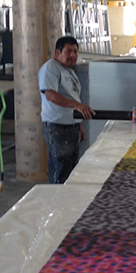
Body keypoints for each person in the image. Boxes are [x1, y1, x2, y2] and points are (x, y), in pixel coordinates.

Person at [38, 36, 95, 184]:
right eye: (68, 51)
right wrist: (77, 106)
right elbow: (50, 95)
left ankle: (67, 198)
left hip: (71, 126)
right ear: (58, 52)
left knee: (71, 171)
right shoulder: (50, 69)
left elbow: (73, 97)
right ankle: (57, 198)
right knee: (61, 171)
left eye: (75, 51)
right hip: (57, 127)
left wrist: (78, 123)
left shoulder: (69, 71)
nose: (73, 55)